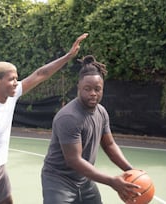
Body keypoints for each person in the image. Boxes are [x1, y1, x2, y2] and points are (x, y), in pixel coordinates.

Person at [0, 33, 89, 204]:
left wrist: (69, 56)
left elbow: (40, 74)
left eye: (16, 78)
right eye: (11, 79)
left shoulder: (11, 95)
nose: (16, 82)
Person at [41, 55, 141, 204]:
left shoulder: (101, 112)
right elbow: (74, 160)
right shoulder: (69, 117)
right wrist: (111, 181)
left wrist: (130, 170)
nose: (93, 93)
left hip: (85, 179)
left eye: (97, 89)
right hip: (59, 181)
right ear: (79, 88)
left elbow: (109, 145)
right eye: (87, 89)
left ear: (102, 89)